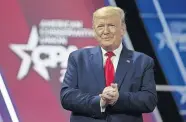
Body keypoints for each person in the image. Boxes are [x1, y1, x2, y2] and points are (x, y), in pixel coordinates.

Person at [60, 6, 157, 122]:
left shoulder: (143, 62)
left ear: (123, 29)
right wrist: (100, 101)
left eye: (111, 25)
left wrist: (118, 98)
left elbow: (149, 100)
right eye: (100, 26)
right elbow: (67, 96)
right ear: (94, 31)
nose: (105, 31)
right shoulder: (78, 58)